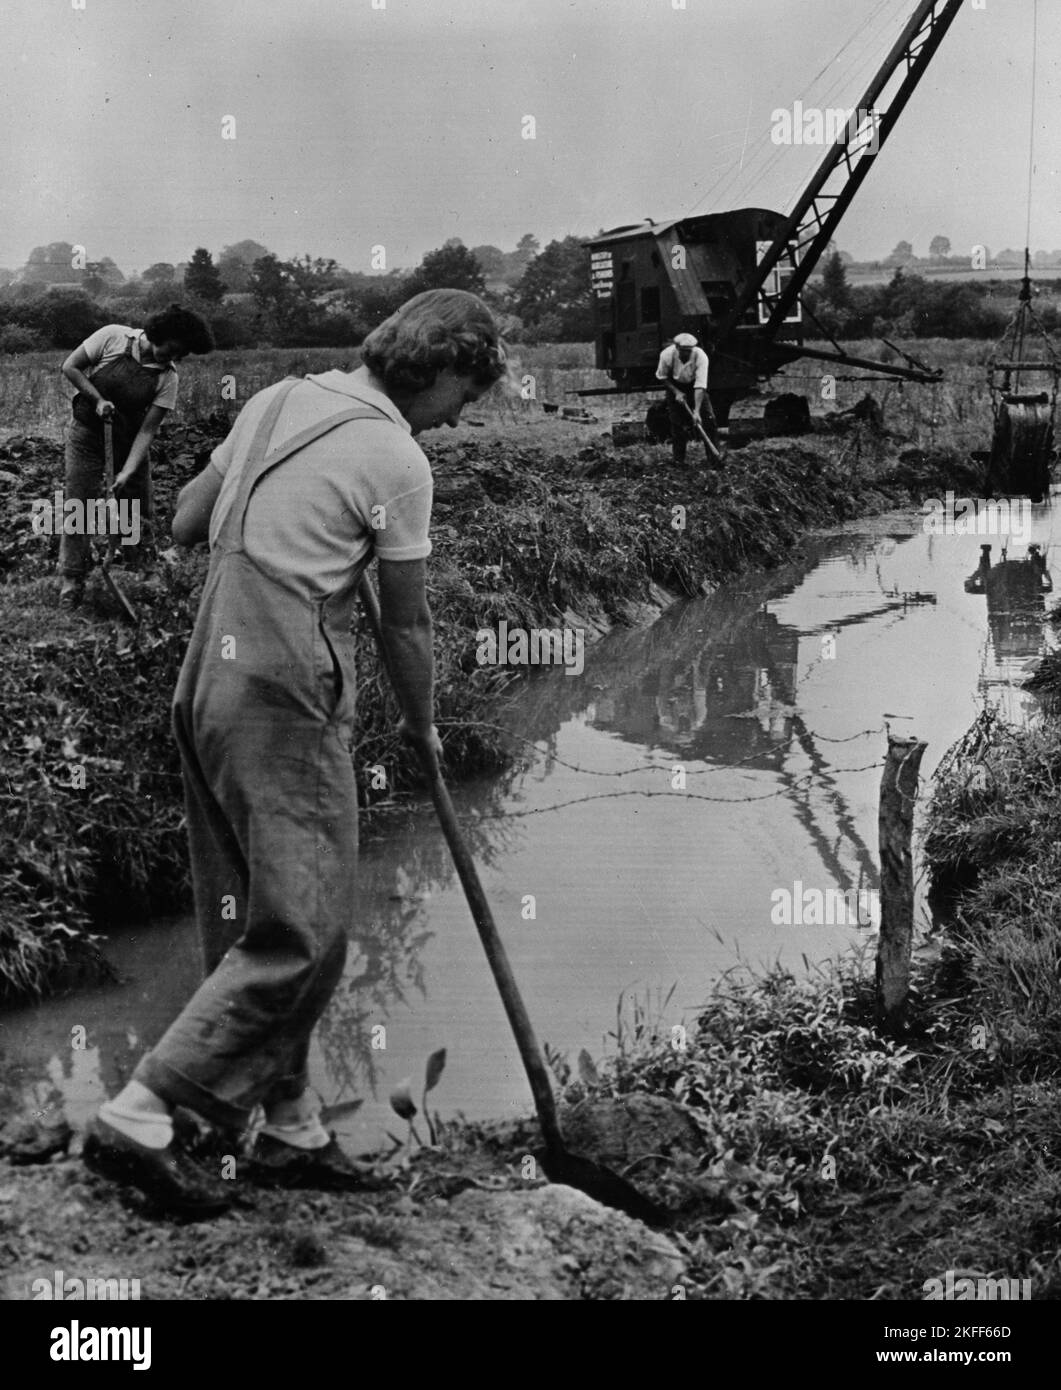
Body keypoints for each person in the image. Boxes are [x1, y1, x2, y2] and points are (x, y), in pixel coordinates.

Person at [82, 288, 507, 1218]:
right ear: (437, 369)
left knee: (247, 910)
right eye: (465, 396)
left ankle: (289, 1121)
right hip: (283, 687)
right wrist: (426, 728)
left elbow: (191, 521)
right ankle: (144, 1109)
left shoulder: (277, 398)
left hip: (208, 678)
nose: (460, 416)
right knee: (305, 927)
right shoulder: (396, 454)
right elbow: (408, 622)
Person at [57, 304, 214, 607]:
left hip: (129, 441)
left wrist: (127, 472)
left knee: (137, 506)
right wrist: (98, 400)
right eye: (172, 348)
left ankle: (144, 569)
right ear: (161, 333)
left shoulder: (168, 378)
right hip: (87, 435)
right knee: (79, 503)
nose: (174, 357)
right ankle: (72, 578)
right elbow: (70, 367)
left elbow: (147, 430)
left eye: (181, 354)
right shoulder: (113, 337)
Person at [655, 332, 719, 467]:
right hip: (675, 386)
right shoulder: (666, 355)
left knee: (709, 419)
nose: (686, 354)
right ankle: (679, 462)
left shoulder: (701, 356)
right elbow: (662, 377)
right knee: (677, 425)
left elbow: (700, 385)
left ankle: (714, 461)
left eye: (689, 351)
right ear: (676, 348)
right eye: (683, 351)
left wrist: (696, 411)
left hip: (694, 386)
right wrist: (676, 392)